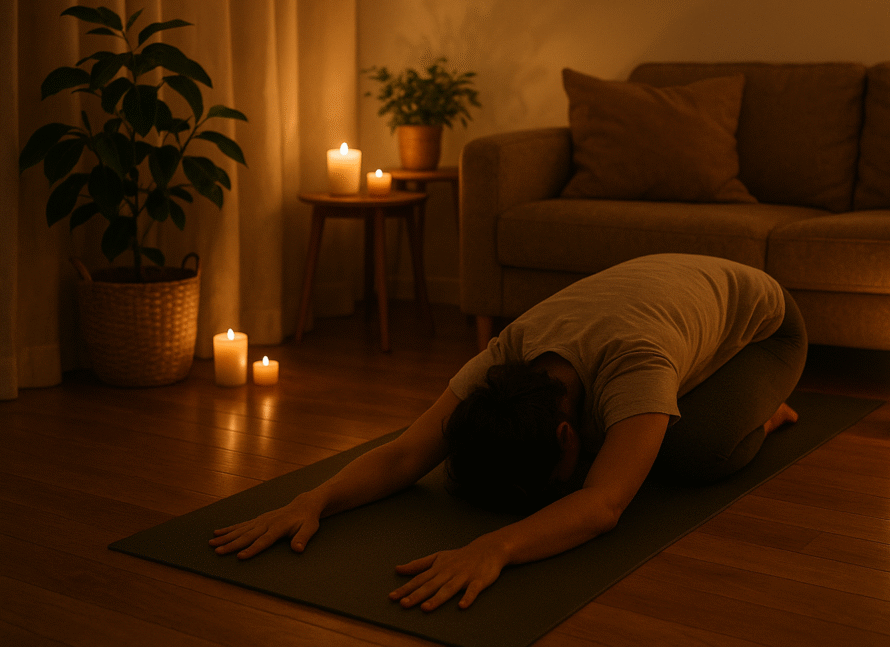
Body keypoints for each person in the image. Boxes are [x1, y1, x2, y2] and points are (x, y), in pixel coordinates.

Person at [209, 253, 807, 613]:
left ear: (570, 433)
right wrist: (313, 500)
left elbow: (602, 505)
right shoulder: (507, 355)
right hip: (664, 295)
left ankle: (764, 407)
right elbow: (405, 453)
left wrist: (493, 547)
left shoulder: (635, 364)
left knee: (691, 453)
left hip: (765, 329)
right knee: (635, 437)